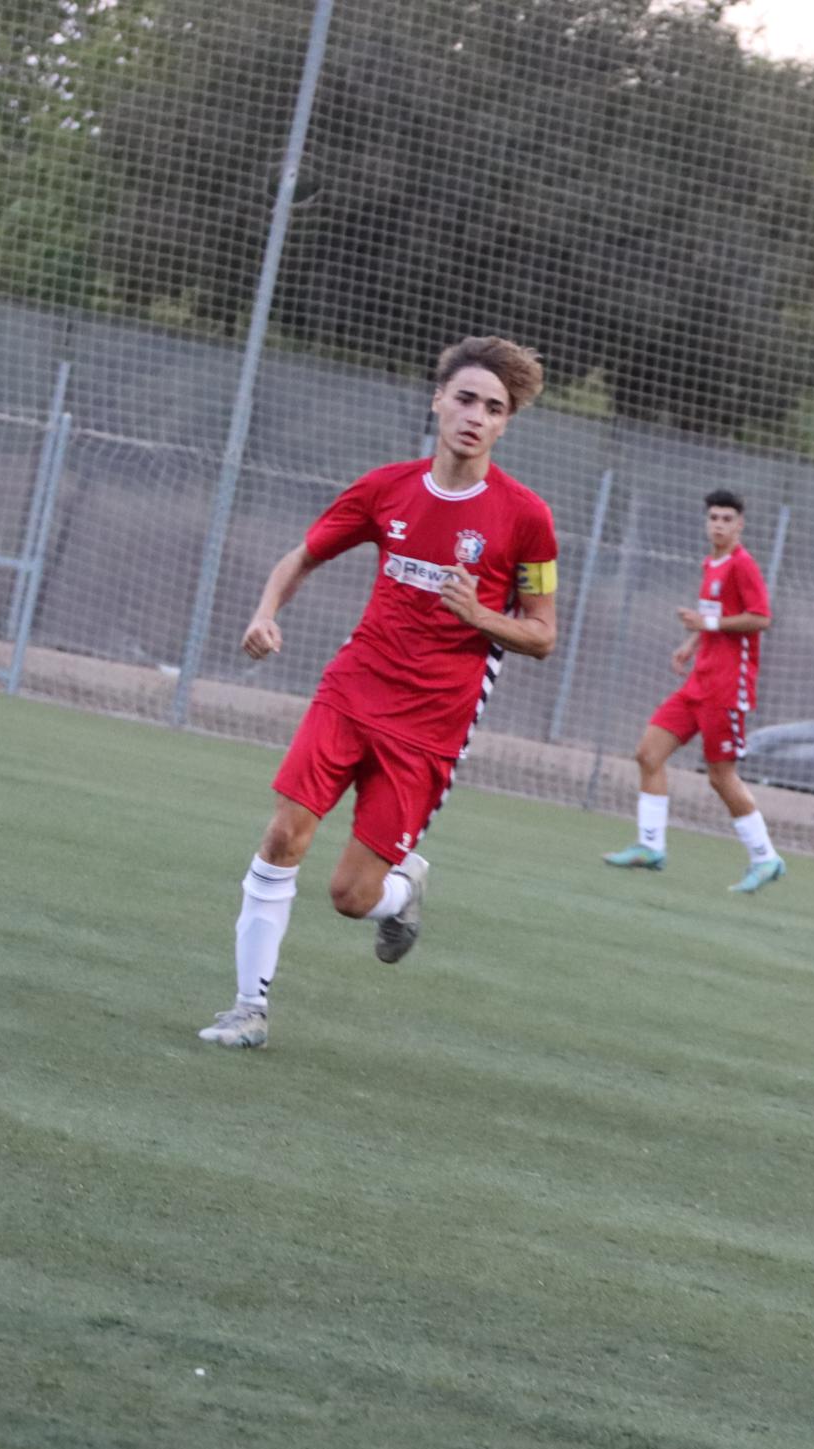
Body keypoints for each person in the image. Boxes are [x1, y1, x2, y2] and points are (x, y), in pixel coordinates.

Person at [197, 337, 558, 1049]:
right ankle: (248, 1009)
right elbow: (302, 556)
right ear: (438, 399)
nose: (476, 417)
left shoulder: (526, 518)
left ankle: (403, 889)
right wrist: (265, 613)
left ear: (506, 423)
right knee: (283, 834)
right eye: (465, 399)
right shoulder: (385, 488)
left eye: (493, 408)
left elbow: (543, 635)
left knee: (351, 896)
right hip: (352, 690)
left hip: (430, 727)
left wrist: (481, 617)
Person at [602, 490, 783, 891]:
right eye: (713, 518)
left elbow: (760, 618)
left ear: (740, 525)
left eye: (727, 519)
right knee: (648, 753)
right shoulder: (710, 563)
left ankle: (765, 857)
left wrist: (707, 626)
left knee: (720, 776)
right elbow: (714, 616)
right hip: (698, 682)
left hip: (727, 688)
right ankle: (651, 846)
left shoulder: (742, 565)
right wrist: (691, 643)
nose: (718, 525)